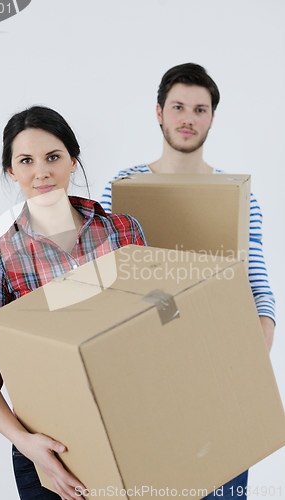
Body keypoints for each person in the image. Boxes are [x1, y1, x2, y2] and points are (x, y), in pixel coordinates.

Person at [101, 63, 276, 499]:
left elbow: (257, 283)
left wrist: (253, 351)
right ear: (158, 112)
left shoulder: (239, 195)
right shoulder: (122, 189)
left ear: (212, 117)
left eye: (200, 109)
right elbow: (103, 282)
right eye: (178, 107)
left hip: (219, 381)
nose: (187, 118)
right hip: (144, 379)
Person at [0, 106, 147, 500]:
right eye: (26, 161)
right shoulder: (2, 259)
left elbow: (156, 324)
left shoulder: (121, 232)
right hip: (50, 452)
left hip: (134, 428)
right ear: (11, 171)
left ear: (73, 161)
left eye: (53, 157)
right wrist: (25, 442)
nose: (41, 172)